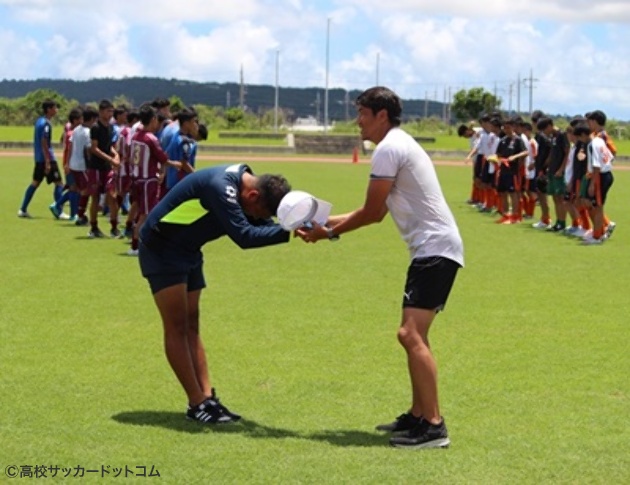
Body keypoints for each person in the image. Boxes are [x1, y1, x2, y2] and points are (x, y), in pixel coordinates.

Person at [296, 86, 464, 449]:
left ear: (381, 115)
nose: (358, 122)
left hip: (434, 249)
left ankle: (434, 426)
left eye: (362, 114)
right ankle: (420, 415)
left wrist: (327, 233)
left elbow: (372, 214)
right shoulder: (397, 144)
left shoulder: (389, 148)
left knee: (409, 335)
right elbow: (375, 209)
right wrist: (321, 223)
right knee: (414, 335)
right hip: (433, 249)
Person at [138, 163, 292, 424]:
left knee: (192, 324)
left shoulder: (247, 186)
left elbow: (261, 221)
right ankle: (196, 402)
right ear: (253, 196)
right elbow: (245, 235)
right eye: (256, 210)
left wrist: (306, 222)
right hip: (162, 249)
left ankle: (207, 398)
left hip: (188, 249)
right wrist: (292, 232)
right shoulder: (220, 187)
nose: (253, 215)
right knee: (176, 326)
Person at [18, 99, 64, 218]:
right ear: (49, 109)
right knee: (59, 183)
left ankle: (23, 209)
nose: (56, 110)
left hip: (39, 158)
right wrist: (48, 161)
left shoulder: (39, 121)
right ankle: (59, 211)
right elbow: (44, 142)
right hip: (47, 157)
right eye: (55, 108)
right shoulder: (46, 124)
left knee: (35, 183)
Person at [86, 99, 120, 238]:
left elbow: (108, 146)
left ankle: (114, 227)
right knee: (95, 197)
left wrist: (116, 154)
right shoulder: (95, 127)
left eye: (112, 111)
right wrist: (110, 159)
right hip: (96, 167)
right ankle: (93, 226)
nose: (110, 114)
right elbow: (94, 148)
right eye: (108, 111)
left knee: (112, 196)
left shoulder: (111, 127)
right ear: (101, 112)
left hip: (107, 168)